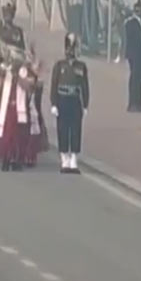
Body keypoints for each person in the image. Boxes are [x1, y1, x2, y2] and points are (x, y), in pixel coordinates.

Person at [50, 32, 90, 174]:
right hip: (62, 99)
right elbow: (54, 85)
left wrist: (85, 104)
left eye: (73, 49)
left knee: (75, 130)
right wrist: (54, 103)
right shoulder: (59, 66)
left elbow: (85, 86)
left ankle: (73, 158)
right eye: (69, 49)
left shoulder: (81, 67)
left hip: (74, 100)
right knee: (63, 129)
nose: (71, 52)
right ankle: (64, 158)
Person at [123, 6, 141, 112]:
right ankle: (133, 103)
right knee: (135, 79)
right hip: (135, 55)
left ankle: (139, 102)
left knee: (140, 79)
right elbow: (132, 38)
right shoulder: (131, 23)